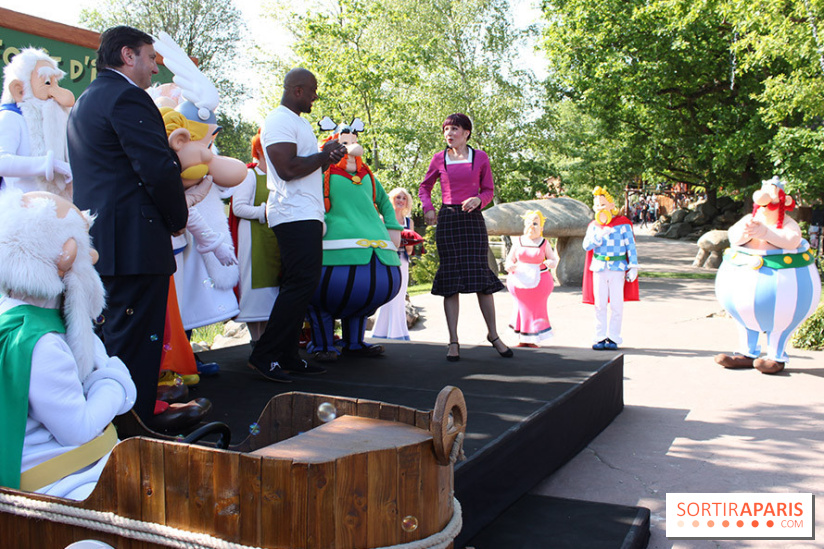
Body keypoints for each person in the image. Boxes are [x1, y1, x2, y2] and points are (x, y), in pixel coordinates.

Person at [67, 26, 203, 432]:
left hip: (105, 240)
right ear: (128, 55)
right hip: (134, 242)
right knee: (135, 344)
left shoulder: (86, 101)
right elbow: (156, 167)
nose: (154, 69)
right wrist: (178, 218)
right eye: (150, 58)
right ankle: (135, 431)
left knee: (112, 341)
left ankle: (116, 426)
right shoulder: (127, 96)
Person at [0, 191, 136, 500]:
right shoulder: (43, 346)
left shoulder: (10, 317)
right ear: (66, 261)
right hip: (62, 482)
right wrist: (115, 378)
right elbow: (78, 428)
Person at [248, 68, 347, 382]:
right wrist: (324, 156)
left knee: (302, 285)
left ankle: (289, 355)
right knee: (299, 285)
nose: (317, 96)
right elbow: (287, 168)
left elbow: (302, 164)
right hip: (292, 214)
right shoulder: (278, 120)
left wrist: (324, 157)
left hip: (305, 213)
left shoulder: (298, 122)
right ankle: (264, 355)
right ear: (298, 90)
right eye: (313, 90)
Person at [418, 112, 512, 362]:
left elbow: (489, 190)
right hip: (448, 219)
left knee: (482, 278)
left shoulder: (480, 157)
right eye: (446, 130)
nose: (449, 134)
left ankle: (494, 336)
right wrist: (428, 207)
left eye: (454, 129)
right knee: (450, 280)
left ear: (467, 132)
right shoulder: (439, 159)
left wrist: (479, 199)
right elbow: (424, 187)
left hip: (472, 219)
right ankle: (453, 341)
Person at [306, 119, 402, 362]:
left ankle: (355, 342)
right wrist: (318, 221)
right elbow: (308, 198)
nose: (349, 147)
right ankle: (323, 344)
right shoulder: (322, 173)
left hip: (376, 251)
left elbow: (384, 202)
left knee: (360, 299)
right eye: (343, 141)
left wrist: (392, 227)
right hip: (334, 250)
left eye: (352, 141)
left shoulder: (367, 174)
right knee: (323, 297)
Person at [714, 176, 821, 374]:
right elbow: (734, 236)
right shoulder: (750, 220)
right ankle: (746, 353)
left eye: (770, 203)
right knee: (745, 320)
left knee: (781, 321)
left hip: (787, 279)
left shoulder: (788, 224)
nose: (764, 207)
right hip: (742, 273)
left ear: (783, 203)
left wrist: (765, 233)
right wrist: (747, 233)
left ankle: (775, 356)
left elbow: (791, 241)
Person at [0, 48, 74, 199]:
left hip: (55, 206)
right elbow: (2, 162)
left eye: (55, 82)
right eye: (47, 82)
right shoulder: (11, 116)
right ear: (19, 89)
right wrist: (49, 164)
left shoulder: (55, 118)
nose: (54, 90)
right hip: (21, 207)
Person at [231, 130, 281, 346]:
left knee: (274, 289)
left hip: (274, 240)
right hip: (253, 239)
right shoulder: (248, 175)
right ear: (260, 150)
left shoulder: (278, 178)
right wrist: (266, 212)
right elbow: (238, 207)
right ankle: (256, 341)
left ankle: (268, 342)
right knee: (255, 288)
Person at [582, 186, 640, 350]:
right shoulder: (593, 226)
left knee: (616, 304)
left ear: (611, 205)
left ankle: (613, 337)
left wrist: (633, 266)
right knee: (599, 304)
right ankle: (599, 336)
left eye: (603, 204)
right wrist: (597, 237)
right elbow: (586, 246)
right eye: (597, 205)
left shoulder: (623, 224)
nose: (600, 208)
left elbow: (631, 246)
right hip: (599, 267)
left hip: (617, 267)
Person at [505, 210, 560, 348]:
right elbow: (509, 259)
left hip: (539, 281)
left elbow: (553, 258)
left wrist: (551, 263)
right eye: (529, 223)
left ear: (541, 227)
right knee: (520, 308)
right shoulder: (518, 241)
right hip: (519, 281)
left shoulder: (544, 243)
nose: (532, 226)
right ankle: (521, 338)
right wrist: (510, 266)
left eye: (535, 223)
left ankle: (533, 338)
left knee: (535, 309)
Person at [371, 187, 417, 341]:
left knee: (399, 296)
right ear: (391, 199)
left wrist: (407, 243)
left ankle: (397, 332)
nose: (401, 201)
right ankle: (381, 331)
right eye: (398, 197)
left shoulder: (409, 222)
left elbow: (410, 250)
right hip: (387, 262)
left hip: (403, 261)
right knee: (387, 295)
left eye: (404, 198)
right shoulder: (383, 220)